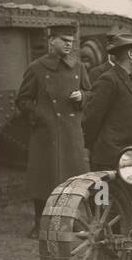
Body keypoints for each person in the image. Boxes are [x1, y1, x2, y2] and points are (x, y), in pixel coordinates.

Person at [14, 25, 91, 237]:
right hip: (46, 133)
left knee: (72, 179)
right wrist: (41, 116)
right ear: (52, 41)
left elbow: (89, 92)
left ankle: (71, 219)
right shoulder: (37, 68)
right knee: (43, 178)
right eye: (64, 40)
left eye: (71, 41)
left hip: (70, 131)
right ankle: (40, 223)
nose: (69, 44)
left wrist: (82, 97)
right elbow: (23, 99)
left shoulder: (78, 68)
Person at [83, 32, 132, 171]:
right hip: (110, 158)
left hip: (128, 156)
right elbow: (90, 119)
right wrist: (95, 149)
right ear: (131, 54)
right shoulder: (108, 80)